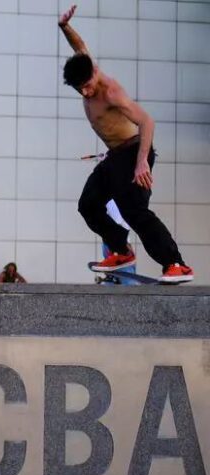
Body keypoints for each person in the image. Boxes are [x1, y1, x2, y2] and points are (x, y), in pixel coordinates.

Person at [58, 5, 193, 283]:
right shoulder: (85, 65)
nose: (86, 92)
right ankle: (121, 249)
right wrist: (64, 27)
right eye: (80, 90)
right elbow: (79, 45)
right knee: (89, 204)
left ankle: (175, 263)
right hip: (115, 157)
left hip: (134, 151)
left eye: (87, 86)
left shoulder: (111, 91)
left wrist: (143, 161)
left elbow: (147, 121)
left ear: (94, 73)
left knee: (134, 210)